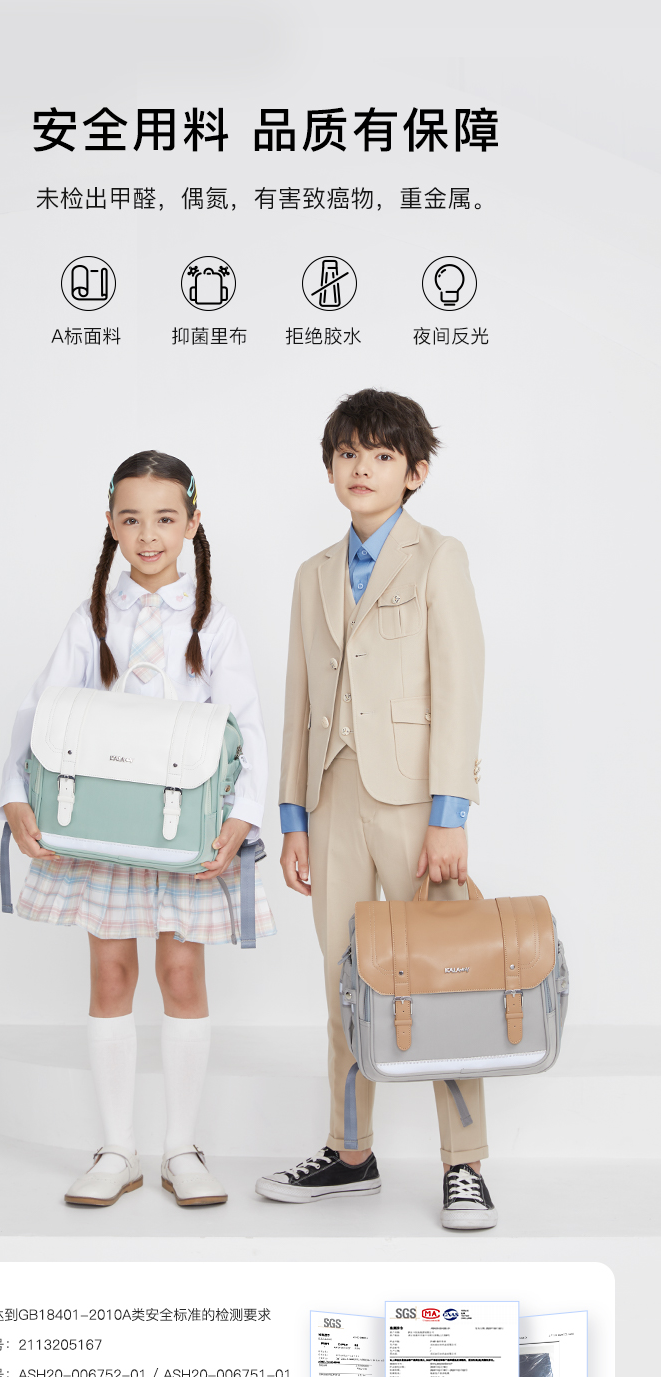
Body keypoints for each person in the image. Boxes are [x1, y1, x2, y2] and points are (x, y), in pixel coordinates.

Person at [0, 450, 274, 1210]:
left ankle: (181, 1146)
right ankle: (117, 1148)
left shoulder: (214, 622)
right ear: (111, 525)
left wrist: (243, 813)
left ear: (192, 521)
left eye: (164, 518)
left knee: (181, 975)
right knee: (111, 974)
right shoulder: (92, 618)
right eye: (131, 518)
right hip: (104, 828)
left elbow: (247, 722)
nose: (148, 535)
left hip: (184, 829)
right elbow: (39, 710)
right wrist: (16, 794)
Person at [255, 388, 496, 1229]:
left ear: (414, 472)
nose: (362, 467)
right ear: (331, 469)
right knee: (345, 982)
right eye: (348, 453)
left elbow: (460, 684)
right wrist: (294, 818)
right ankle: (350, 1151)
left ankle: (464, 1164)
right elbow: (298, 700)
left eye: (382, 455)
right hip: (332, 802)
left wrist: (450, 811)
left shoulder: (438, 558)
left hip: (417, 806)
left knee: (445, 981)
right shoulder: (312, 574)